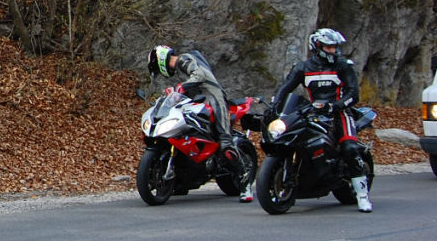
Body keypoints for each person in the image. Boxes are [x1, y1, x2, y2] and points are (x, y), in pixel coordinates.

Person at [271, 27, 371, 212]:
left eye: (335, 47)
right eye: (329, 47)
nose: (333, 50)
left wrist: (336, 106)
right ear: (317, 46)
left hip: (340, 112)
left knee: (349, 148)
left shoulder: (343, 65)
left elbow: (353, 94)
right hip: (313, 110)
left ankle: (363, 196)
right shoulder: (303, 67)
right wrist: (275, 106)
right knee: (293, 134)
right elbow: (285, 89)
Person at [148, 45, 250, 200]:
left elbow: (200, 76)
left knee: (225, 143)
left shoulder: (184, 59)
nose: (160, 71)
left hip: (215, 99)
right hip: (203, 103)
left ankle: (245, 181)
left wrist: (181, 87)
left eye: (157, 67)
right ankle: (182, 181)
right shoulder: (184, 67)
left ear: (160, 59)